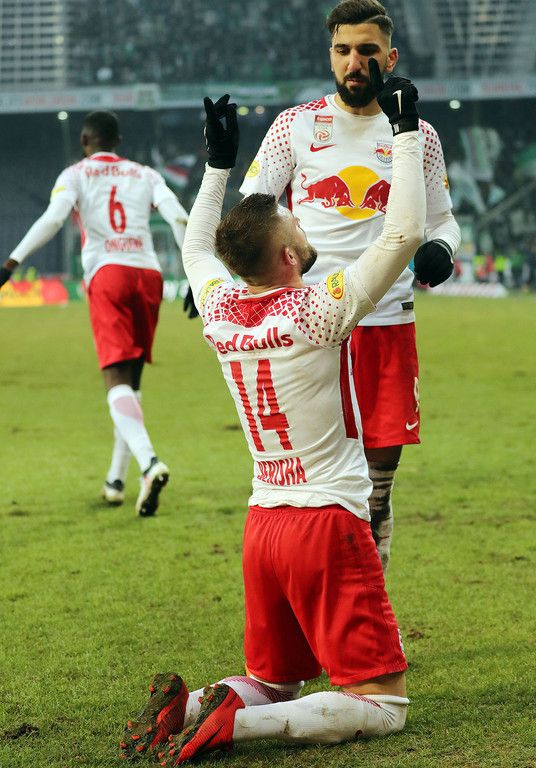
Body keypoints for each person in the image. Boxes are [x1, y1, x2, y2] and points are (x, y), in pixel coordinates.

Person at [120, 65, 425, 763]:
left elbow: (195, 248)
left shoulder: (221, 310)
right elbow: (403, 232)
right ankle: (230, 726)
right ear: (289, 254)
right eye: (294, 220)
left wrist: (218, 165)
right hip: (325, 522)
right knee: (383, 705)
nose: (299, 218)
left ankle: (185, 708)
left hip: (263, 524)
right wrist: (406, 132)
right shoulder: (319, 309)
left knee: (273, 680)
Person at [238, 0, 461, 572]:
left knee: (377, 489)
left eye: (367, 51)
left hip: (387, 321)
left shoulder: (418, 135)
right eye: (343, 50)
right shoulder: (295, 125)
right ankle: (323, 593)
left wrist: (442, 249)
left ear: (391, 56)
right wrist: (223, 273)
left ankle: (371, 604)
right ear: (330, 55)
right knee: (317, 484)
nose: (354, 63)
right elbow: (252, 213)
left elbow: (442, 220)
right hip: (311, 326)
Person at [0, 111, 188, 516]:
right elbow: (178, 216)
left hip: (108, 272)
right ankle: (116, 480)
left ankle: (149, 463)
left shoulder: (76, 174)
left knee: (115, 380)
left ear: (84, 141)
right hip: (149, 275)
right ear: (117, 141)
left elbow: (54, 218)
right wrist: (192, 273)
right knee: (132, 382)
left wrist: (12, 262)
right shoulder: (145, 173)